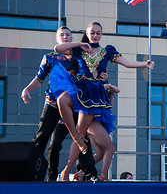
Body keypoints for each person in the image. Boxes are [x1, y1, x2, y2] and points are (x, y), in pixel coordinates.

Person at [52, 22, 154, 181]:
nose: (95, 36)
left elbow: (126, 63)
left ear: (101, 34)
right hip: (81, 90)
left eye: (98, 33)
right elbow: (57, 49)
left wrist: (144, 64)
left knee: (84, 136)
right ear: (87, 32)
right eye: (92, 32)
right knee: (68, 113)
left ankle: (71, 172)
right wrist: (80, 43)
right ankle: (68, 169)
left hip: (96, 94)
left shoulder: (107, 51)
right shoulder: (79, 49)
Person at [21, 26, 98, 181]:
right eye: (61, 35)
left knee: (83, 137)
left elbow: (90, 73)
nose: (65, 37)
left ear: (71, 37)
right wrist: (27, 88)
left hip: (74, 103)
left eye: (67, 35)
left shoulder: (79, 56)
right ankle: (34, 172)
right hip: (53, 103)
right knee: (43, 137)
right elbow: (39, 78)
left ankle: (89, 174)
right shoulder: (50, 57)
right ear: (57, 38)